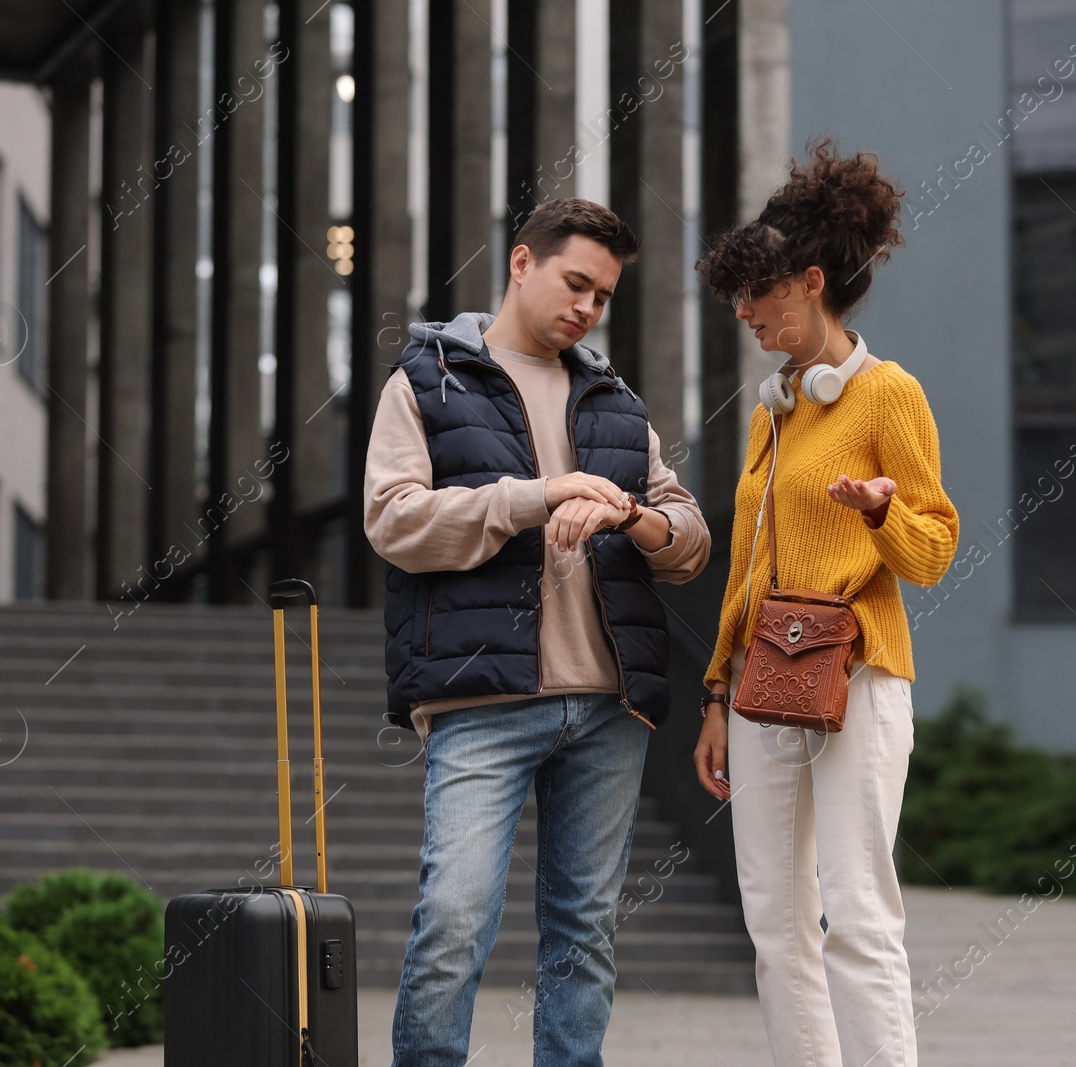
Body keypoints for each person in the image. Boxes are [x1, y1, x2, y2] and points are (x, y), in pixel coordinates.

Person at [365, 197, 711, 1067]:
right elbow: (393, 519)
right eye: (575, 283)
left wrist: (630, 516)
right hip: (482, 698)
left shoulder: (616, 403)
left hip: (607, 705)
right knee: (452, 919)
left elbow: (689, 538)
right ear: (522, 263)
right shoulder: (428, 381)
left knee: (583, 935)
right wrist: (539, 495)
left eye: (602, 295)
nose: (587, 307)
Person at [691, 141, 959, 1067]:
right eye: (739, 296)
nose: (746, 312)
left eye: (760, 293)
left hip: (860, 675)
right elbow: (746, 568)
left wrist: (884, 514)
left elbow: (932, 552)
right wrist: (716, 692)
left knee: (857, 910)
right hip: (765, 684)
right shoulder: (776, 410)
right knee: (774, 919)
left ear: (811, 283)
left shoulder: (889, 395)